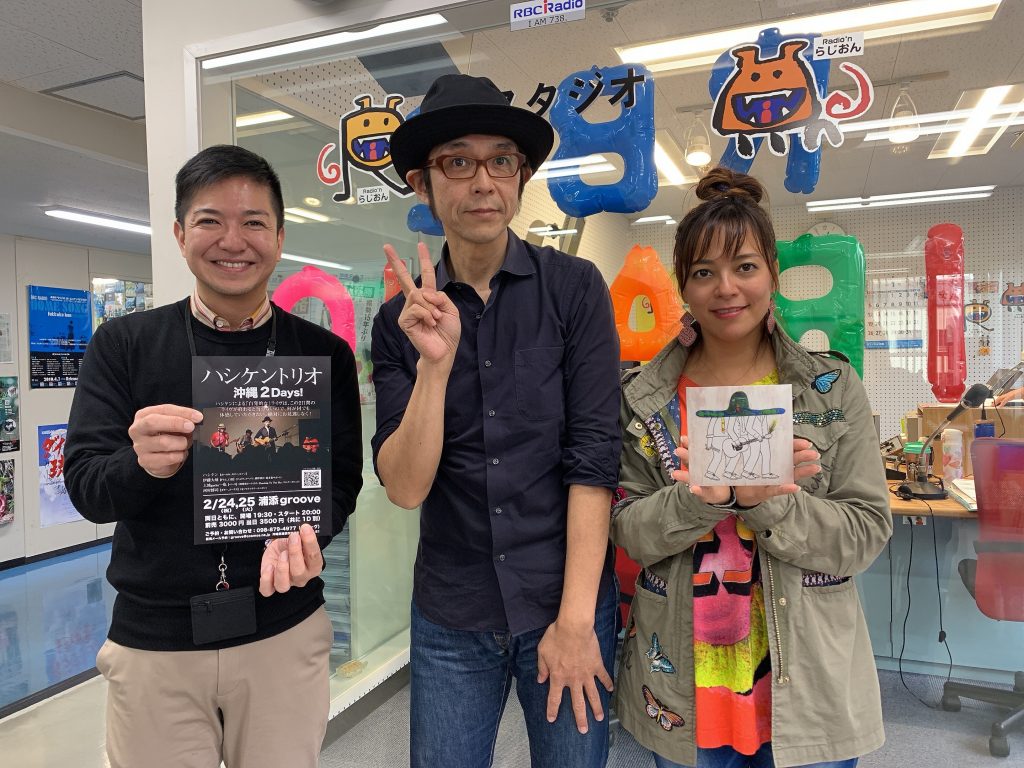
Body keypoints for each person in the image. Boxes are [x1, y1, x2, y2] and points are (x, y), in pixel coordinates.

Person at [64, 144, 363, 768]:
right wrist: (139, 464)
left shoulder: (323, 354)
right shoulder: (123, 345)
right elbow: (88, 488)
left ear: (279, 238)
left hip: (284, 630)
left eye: (254, 221)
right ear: (180, 235)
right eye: (209, 221)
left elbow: (340, 481)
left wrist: (310, 535)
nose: (233, 241)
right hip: (157, 643)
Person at [371, 73, 622, 768]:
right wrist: (435, 367)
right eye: (458, 162)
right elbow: (405, 488)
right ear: (423, 184)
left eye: (501, 161)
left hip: (563, 598)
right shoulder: (397, 323)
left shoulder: (573, 290)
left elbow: (594, 456)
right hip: (452, 610)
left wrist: (576, 620)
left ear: (521, 176)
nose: (483, 182)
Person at [610, 167, 892, 768]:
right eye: (703, 272)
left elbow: (865, 533)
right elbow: (629, 532)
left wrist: (775, 503)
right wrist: (695, 500)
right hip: (685, 685)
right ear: (684, 287)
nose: (726, 289)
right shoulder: (645, 397)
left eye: (744, 266)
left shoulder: (829, 387)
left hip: (807, 684)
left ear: (772, 274)